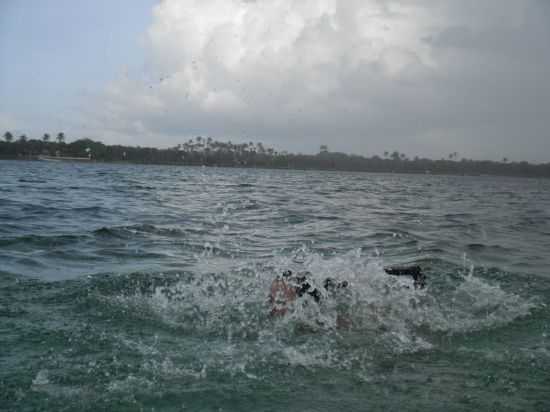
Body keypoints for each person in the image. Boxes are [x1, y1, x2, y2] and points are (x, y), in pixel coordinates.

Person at [268, 265, 426, 317]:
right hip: (317, 284)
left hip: (322, 284)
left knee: (366, 281)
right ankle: (411, 278)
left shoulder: (301, 290)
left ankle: (413, 278)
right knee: (369, 279)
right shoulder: (285, 290)